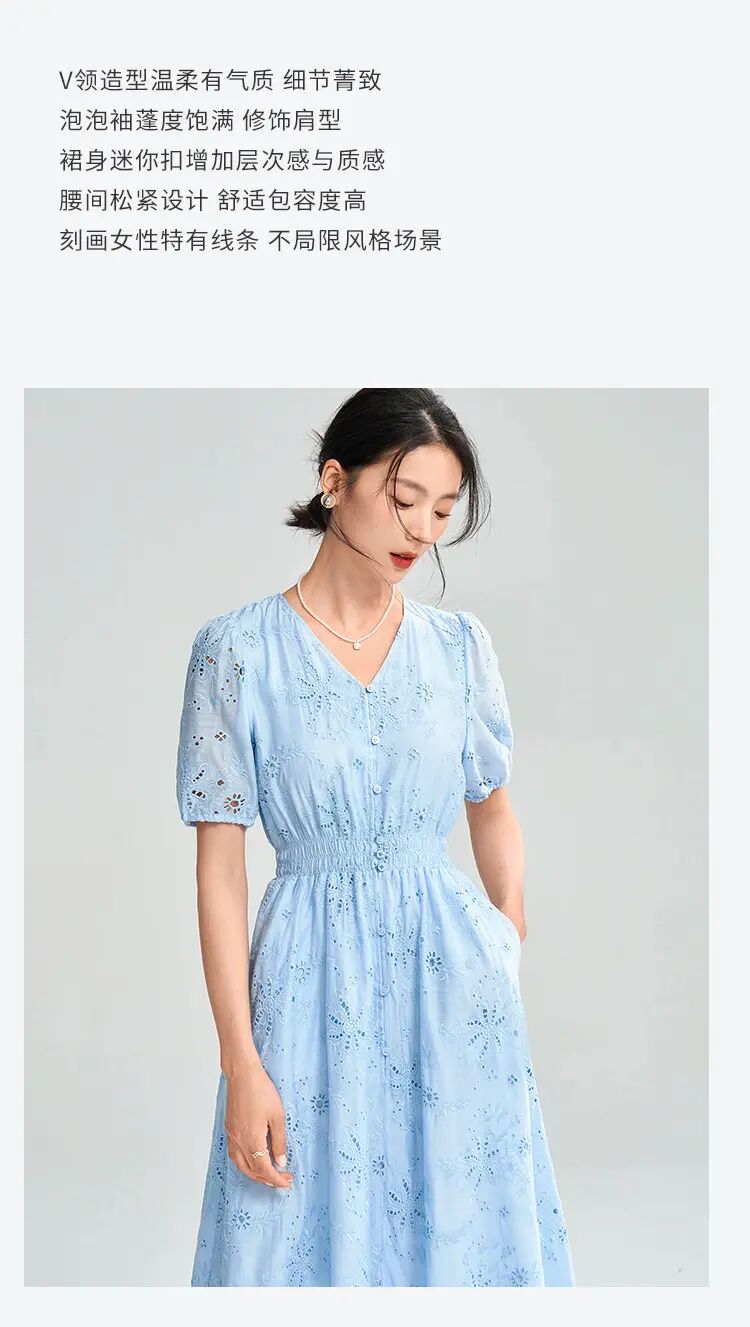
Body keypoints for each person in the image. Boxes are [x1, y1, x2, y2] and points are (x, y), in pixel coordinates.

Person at [175, 388, 575, 1287]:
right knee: (287, 1232)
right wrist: (241, 1060)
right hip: (305, 977)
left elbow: (491, 804)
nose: (422, 531)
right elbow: (220, 871)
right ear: (333, 481)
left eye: (443, 510)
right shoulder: (237, 651)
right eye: (404, 500)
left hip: (451, 980)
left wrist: (504, 936)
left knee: (459, 1235)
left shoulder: (459, 647)